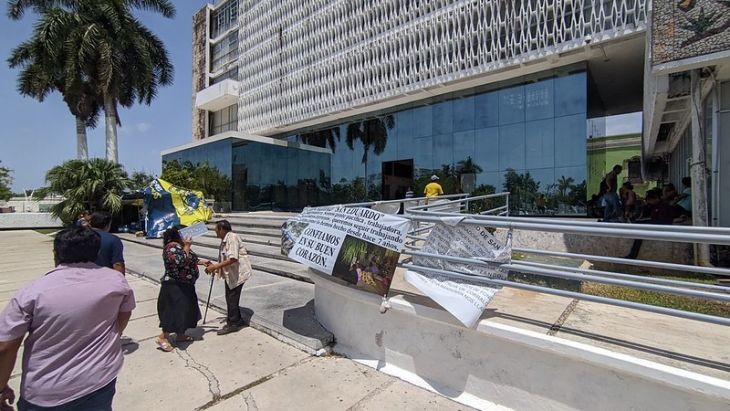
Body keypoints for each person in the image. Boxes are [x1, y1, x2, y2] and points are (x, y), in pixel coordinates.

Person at [0, 228, 135, 410]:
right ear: (97, 252)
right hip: (100, 378)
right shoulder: (117, 282)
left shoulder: (33, 292)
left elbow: (6, 347)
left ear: (56, 253)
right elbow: (123, 316)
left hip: (47, 389)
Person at [156, 226, 210, 352]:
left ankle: (180, 334)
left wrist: (204, 262)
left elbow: (191, 258)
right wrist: (187, 245)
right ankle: (163, 337)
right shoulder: (171, 247)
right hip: (175, 285)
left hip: (186, 285)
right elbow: (180, 262)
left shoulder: (181, 247)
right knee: (173, 312)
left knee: (185, 311)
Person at [205, 220, 252, 335]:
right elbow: (224, 258)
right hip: (231, 274)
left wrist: (215, 266)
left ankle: (233, 324)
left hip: (238, 273)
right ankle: (237, 319)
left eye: (216, 230)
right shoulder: (225, 240)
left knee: (232, 298)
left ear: (222, 229)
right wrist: (216, 269)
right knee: (231, 297)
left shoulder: (232, 238)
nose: (215, 233)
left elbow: (233, 258)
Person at [624, 189, 679, 259]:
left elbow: (662, 222)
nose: (649, 202)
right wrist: (647, 207)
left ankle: (633, 255)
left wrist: (646, 223)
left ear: (655, 198)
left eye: (650, 200)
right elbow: (648, 215)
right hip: (656, 224)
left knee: (640, 232)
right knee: (639, 223)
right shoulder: (655, 206)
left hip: (662, 226)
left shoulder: (664, 206)